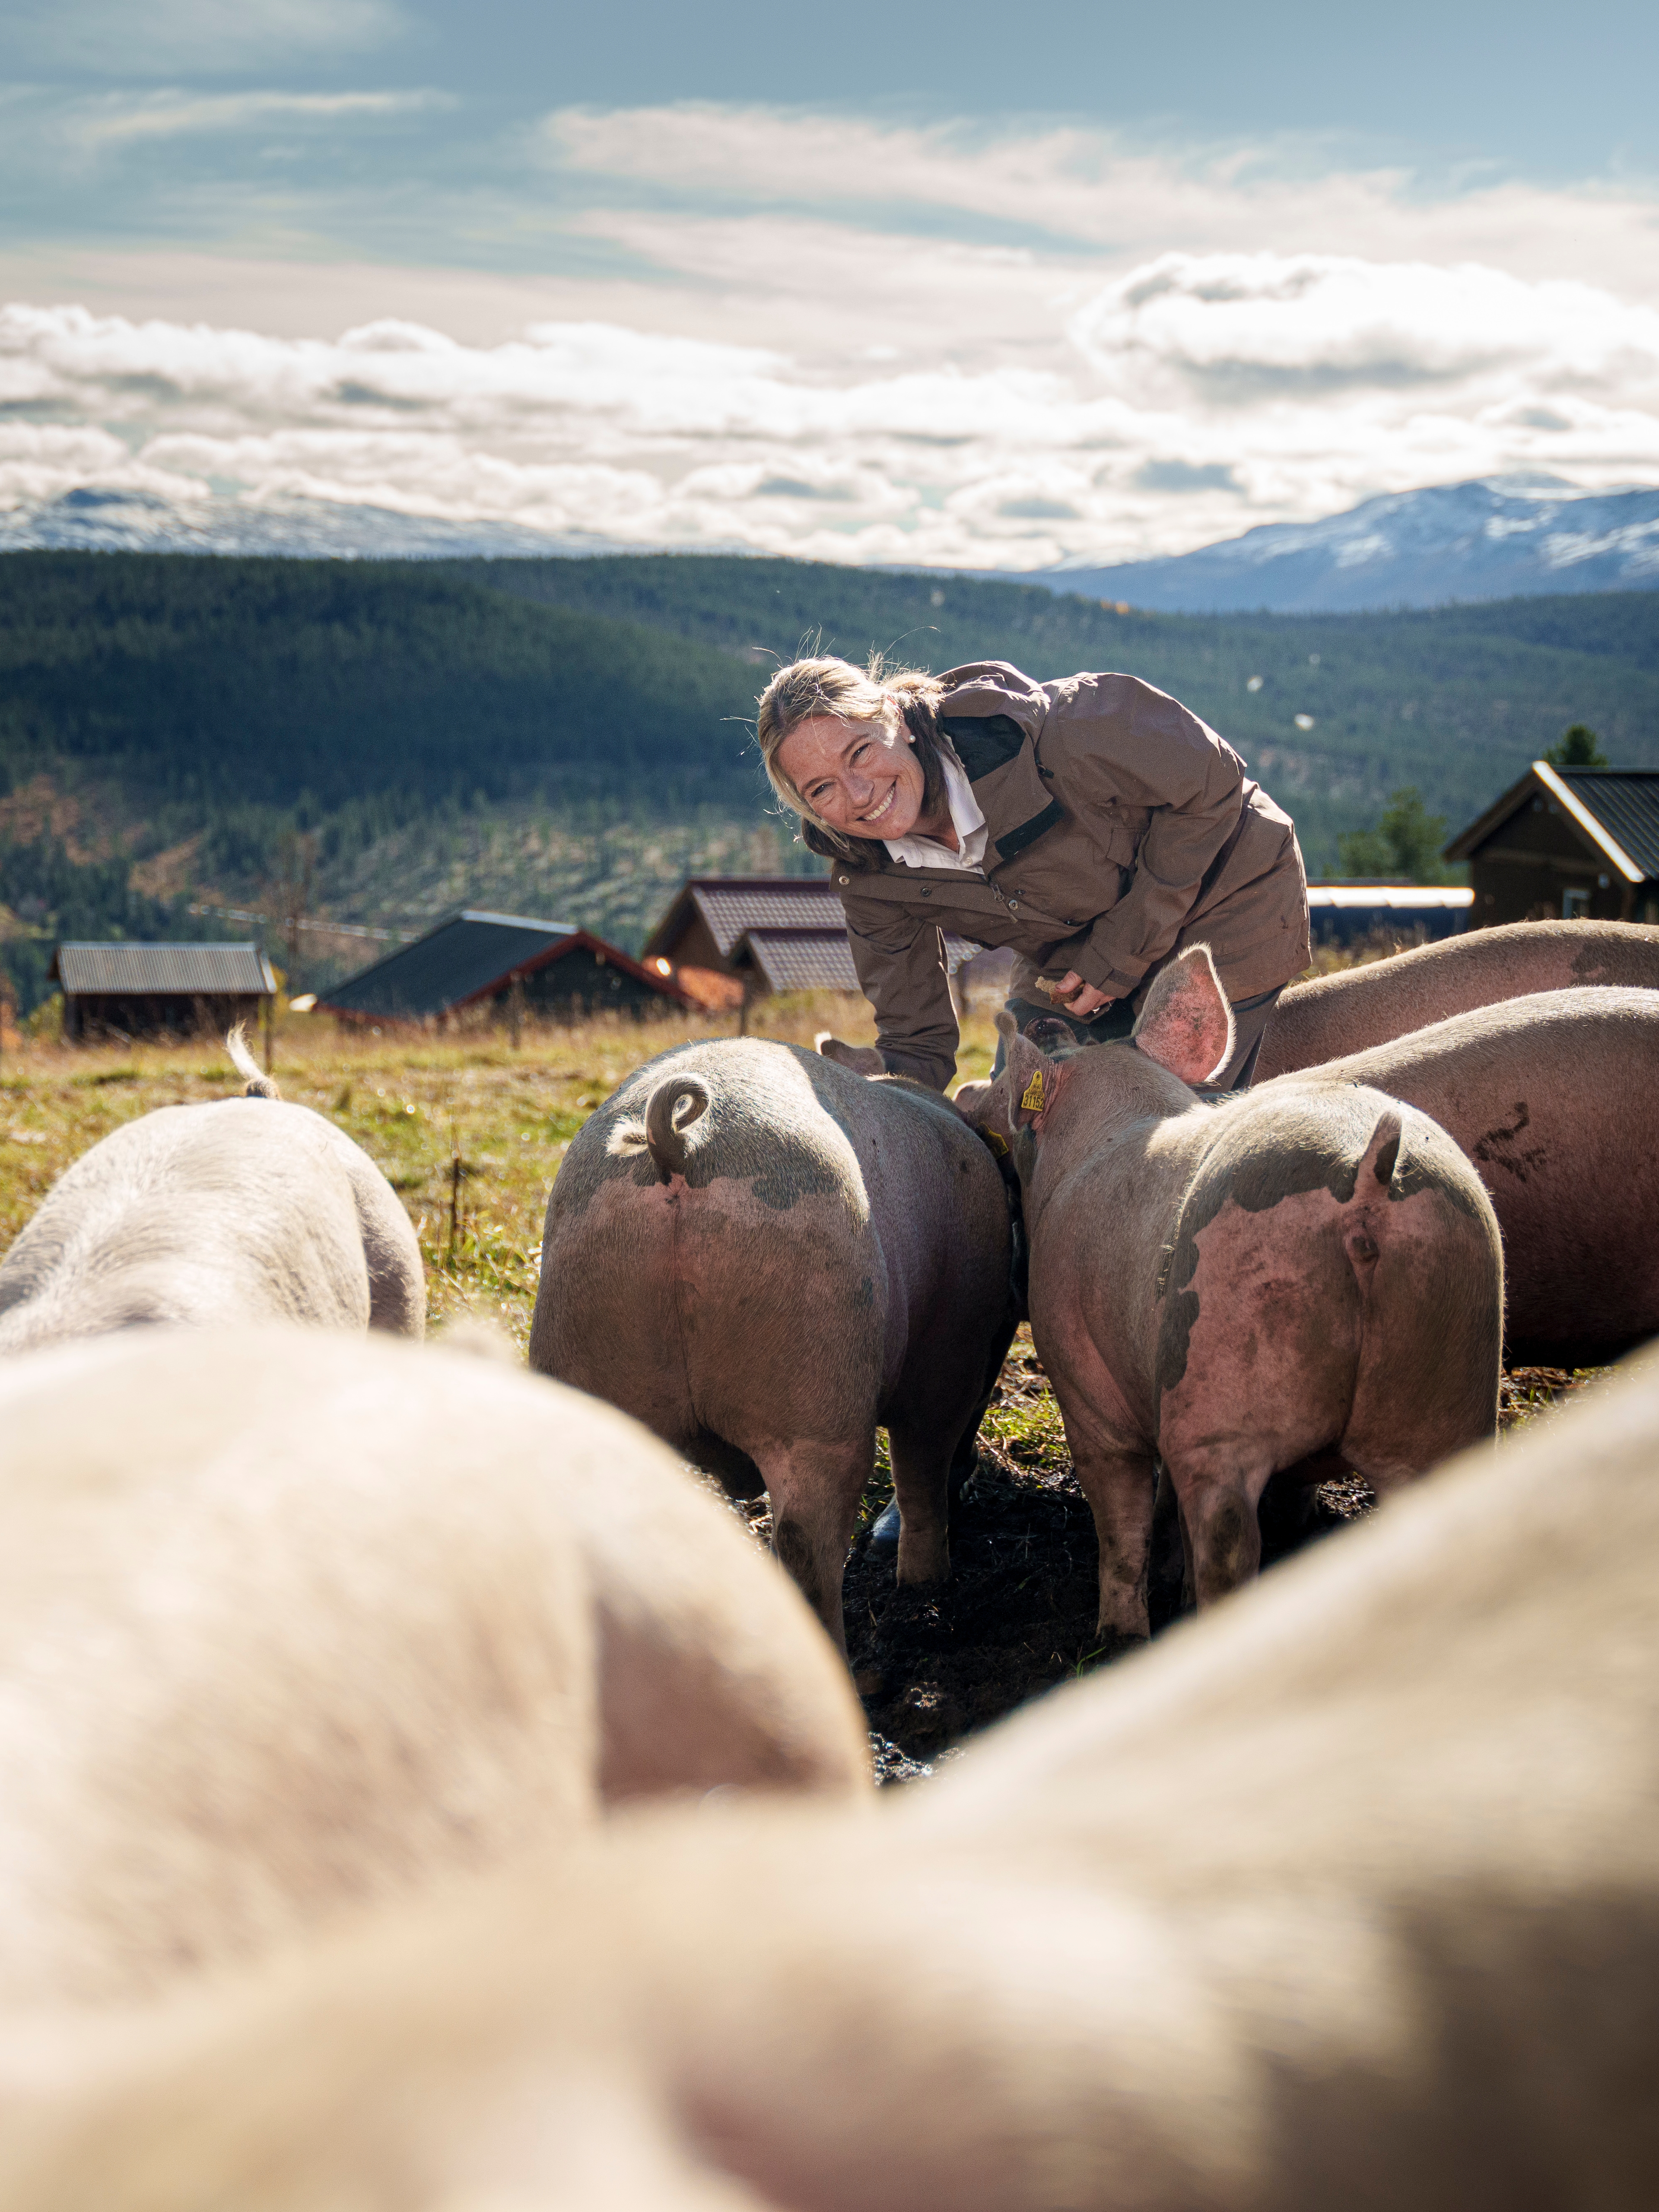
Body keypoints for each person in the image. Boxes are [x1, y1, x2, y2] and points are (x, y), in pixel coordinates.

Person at [756, 654, 1310, 1092]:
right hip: (1076, 949)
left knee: (1169, 1117)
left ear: (895, 720)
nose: (858, 795)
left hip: (1226, 896)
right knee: (1025, 1118)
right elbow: (915, 1040)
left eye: (859, 752)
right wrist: (864, 1093)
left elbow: (1211, 783)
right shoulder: (869, 877)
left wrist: (1116, 956)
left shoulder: (1063, 727)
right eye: (822, 789)